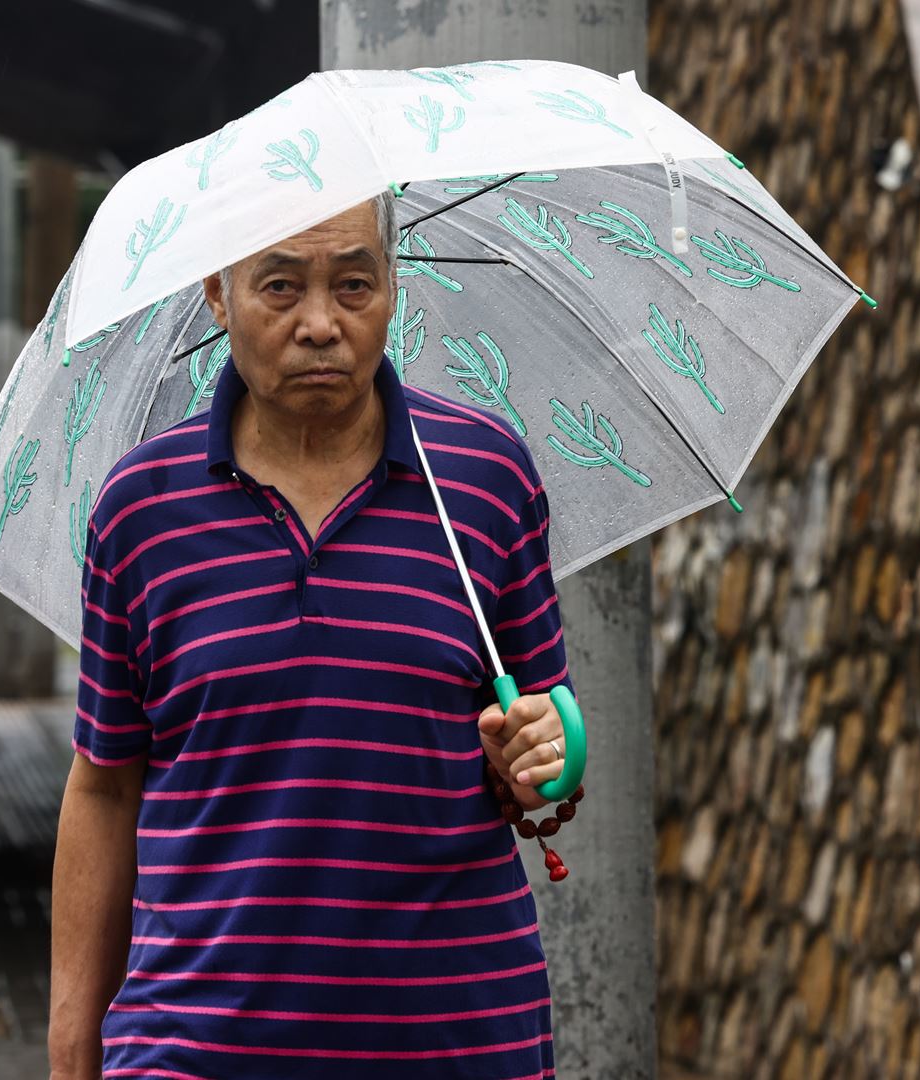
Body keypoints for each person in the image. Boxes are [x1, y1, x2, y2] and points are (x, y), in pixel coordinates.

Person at [51, 195, 574, 1079]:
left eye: (355, 285)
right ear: (218, 294)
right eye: (282, 287)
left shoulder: (484, 480)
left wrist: (543, 758)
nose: (322, 325)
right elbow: (105, 788)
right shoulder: (142, 508)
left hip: (456, 1039)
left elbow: (546, 772)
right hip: (196, 1043)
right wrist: (71, 1055)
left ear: (393, 289)